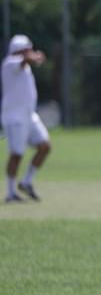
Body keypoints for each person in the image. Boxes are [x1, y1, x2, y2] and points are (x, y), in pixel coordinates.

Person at [1, 34, 51, 203]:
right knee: (17, 154)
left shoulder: (25, 66)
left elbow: (27, 61)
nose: (30, 51)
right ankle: (10, 192)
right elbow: (24, 60)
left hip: (29, 116)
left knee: (44, 146)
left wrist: (33, 58)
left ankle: (26, 182)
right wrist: (34, 56)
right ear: (19, 50)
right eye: (27, 49)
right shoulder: (9, 63)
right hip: (14, 117)